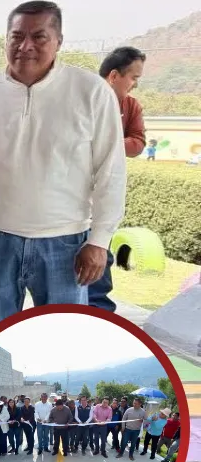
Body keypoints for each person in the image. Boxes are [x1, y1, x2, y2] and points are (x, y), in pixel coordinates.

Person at [0, 1, 126, 337]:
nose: (25, 46)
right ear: (5, 39)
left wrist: (100, 241)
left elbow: (111, 171)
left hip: (65, 245)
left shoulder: (91, 92)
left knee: (62, 344)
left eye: (39, 37)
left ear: (59, 40)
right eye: (16, 36)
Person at [90, 47, 147, 312]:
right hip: (67, 207)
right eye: (133, 77)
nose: (134, 84)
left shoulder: (130, 105)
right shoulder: (83, 99)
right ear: (114, 75)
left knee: (99, 273)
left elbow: (137, 143)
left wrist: (106, 143)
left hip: (103, 205)